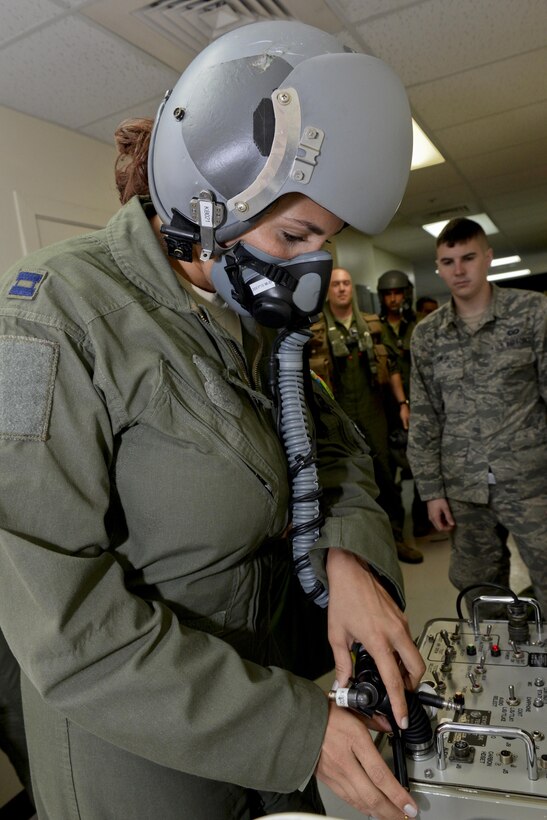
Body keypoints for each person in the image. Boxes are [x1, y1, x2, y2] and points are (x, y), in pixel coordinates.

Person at [0, 21, 424, 820]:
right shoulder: (56, 314)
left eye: (322, 244)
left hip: (274, 697)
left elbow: (329, 446)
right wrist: (294, 729)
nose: (306, 271)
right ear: (206, 200)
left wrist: (349, 557)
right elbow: (64, 623)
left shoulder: (248, 309)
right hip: (142, 757)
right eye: (294, 235)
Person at [408, 217, 547, 618]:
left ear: (487, 258)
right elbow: (425, 415)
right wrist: (431, 491)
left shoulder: (531, 313)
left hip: (531, 479)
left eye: (468, 257)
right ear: (439, 266)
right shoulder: (428, 335)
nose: (459, 269)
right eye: (447, 261)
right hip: (464, 486)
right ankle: (501, 661)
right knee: (478, 586)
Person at [309, 267, 424, 564]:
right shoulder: (315, 330)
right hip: (337, 414)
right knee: (345, 480)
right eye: (335, 284)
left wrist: (402, 404)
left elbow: (394, 367)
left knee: (385, 475)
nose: (342, 289)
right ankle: (359, 550)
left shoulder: (373, 326)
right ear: (327, 290)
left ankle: (395, 538)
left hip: (374, 411)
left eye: (346, 283)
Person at [377, 271, 431, 538]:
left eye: (397, 293)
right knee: (389, 469)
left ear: (406, 295)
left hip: (420, 404)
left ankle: (422, 519)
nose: (393, 299)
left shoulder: (420, 326)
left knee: (423, 463)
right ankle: (396, 523)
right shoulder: (376, 328)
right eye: (388, 294)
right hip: (388, 408)